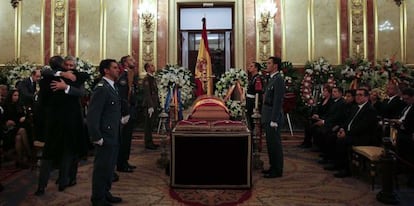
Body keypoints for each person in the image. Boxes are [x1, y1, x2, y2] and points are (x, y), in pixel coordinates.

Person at [35, 56, 88, 195]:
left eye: (72, 65)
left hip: (68, 121)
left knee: (66, 151)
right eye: (67, 65)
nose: (69, 68)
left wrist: (66, 87)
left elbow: (81, 91)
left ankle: (61, 181)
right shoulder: (53, 76)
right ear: (62, 65)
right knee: (56, 152)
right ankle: (49, 184)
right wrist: (61, 75)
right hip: (56, 121)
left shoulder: (75, 76)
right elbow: (44, 74)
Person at [87, 59, 123, 206]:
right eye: (114, 68)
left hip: (113, 133)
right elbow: (93, 115)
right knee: (102, 168)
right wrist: (96, 136)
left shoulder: (112, 87)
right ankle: (98, 199)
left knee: (109, 167)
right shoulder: (101, 88)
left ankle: (105, 192)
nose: (118, 70)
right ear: (106, 70)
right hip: (104, 135)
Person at [333, 88, 378, 178]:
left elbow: (362, 127)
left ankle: (346, 170)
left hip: (363, 137)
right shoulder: (355, 107)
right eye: (357, 95)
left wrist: (347, 133)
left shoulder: (369, 110)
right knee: (333, 136)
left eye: (360, 95)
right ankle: (338, 164)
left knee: (342, 141)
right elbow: (348, 121)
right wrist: (342, 129)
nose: (357, 97)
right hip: (352, 134)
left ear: (367, 97)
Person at [261, 56, 285, 178]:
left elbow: (277, 100)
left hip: (273, 116)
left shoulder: (278, 79)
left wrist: (274, 119)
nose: (267, 65)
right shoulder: (271, 79)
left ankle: (277, 170)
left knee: (275, 144)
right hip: (268, 114)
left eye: (269, 63)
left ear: (275, 65)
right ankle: (272, 167)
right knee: (270, 143)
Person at [116, 55, 138, 172]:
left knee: (128, 139)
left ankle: (125, 161)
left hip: (131, 110)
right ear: (124, 63)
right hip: (126, 112)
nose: (134, 61)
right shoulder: (123, 77)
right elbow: (123, 97)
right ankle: (121, 164)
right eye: (131, 60)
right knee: (124, 139)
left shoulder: (130, 75)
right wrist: (125, 113)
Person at [3, 89, 31, 168]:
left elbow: (23, 116)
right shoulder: (5, 106)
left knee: (18, 138)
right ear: (10, 96)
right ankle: (29, 154)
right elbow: (5, 120)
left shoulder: (19, 105)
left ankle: (20, 161)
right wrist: (7, 122)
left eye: (18, 95)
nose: (16, 97)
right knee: (22, 131)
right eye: (15, 95)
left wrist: (23, 118)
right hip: (9, 130)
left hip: (17, 127)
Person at [142, 63, 160, 150]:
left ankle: (151, 141)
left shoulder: (152, 78)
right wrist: (150, 106)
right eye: (152, 66)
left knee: (151, 124)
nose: (154, 67)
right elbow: (147, 93)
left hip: (153, 104)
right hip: (150, 105)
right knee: (148, 125)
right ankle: (148, 143)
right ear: (148, 68)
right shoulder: (147, 79)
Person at [245, 62, 263, 133]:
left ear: (256, 68)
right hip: (249, 101)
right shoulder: (252, 78)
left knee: (253, 123)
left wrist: (256, 105)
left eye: (251, 66)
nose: (249, 67)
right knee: (249, 122)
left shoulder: (257, 78)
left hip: (253, 103)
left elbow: (258, 92)